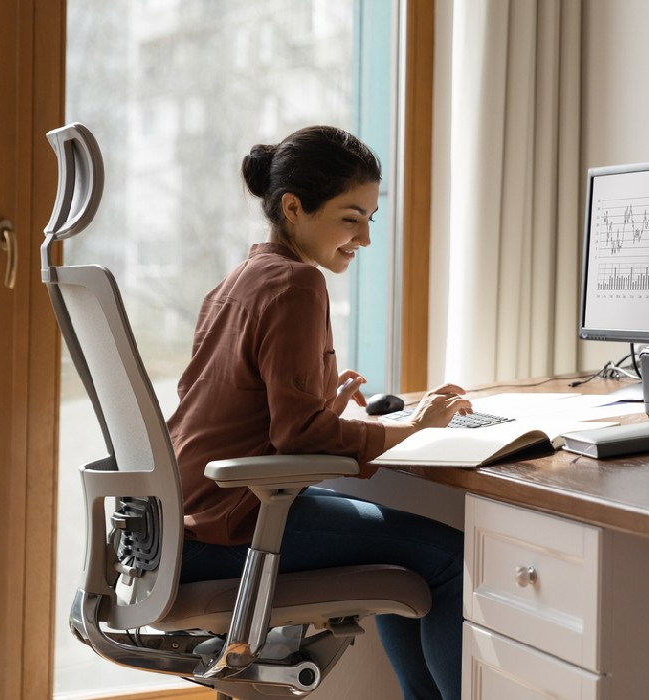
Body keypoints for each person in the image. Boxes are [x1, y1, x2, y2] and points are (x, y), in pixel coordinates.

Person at [167, 125, 471, 700]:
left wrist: (322, 412)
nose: (364, 239)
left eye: (370, 220)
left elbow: (257, 419)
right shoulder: (298, 282)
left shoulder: (240, 279)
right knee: (451, 560)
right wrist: (411, 426)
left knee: (414, 565)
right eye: (350, 217)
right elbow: (299, 432)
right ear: (293, 207)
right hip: (235, 525)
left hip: (187, 519)